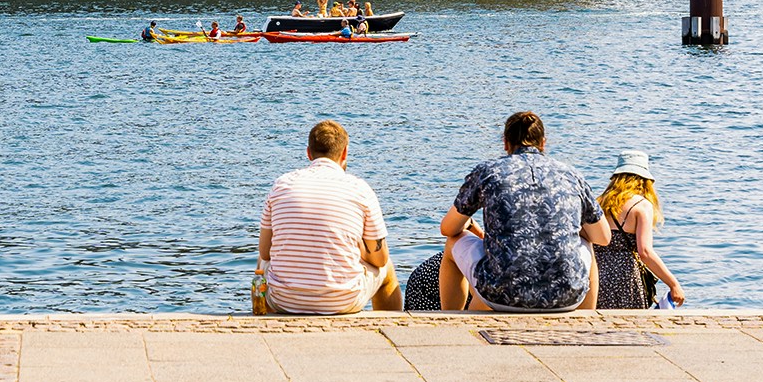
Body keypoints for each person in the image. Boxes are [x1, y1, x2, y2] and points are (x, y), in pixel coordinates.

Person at [438, 111, 610, 311]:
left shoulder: (487, 172)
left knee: (452, 243)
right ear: (543, 143)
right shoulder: (571, 175)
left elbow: (448, 229)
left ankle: (449, 317)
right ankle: (585, 320)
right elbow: (603, 238)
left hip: (501, 295)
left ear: (505, 143)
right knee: (587, 242)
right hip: (566, 297)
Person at [258, 120, 402, 313]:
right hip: (343, 301)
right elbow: (380, 259)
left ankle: (262, 319)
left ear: (308, 153)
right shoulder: (360, 189)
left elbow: (265, 252)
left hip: (283, 301)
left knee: (261, 264)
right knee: (387, 270)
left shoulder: (281, 185)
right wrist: (360, 249)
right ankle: (391, 325)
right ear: (344, 153)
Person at [595, 152, 687, 308]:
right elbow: (645, 252)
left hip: (596, 274)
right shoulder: (641, 206)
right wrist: (673, 284)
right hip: (625, 278)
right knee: (628, 328)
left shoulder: (598, 202)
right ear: (645, 180)